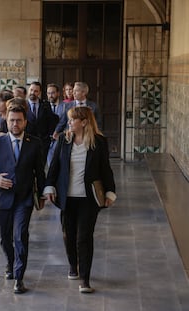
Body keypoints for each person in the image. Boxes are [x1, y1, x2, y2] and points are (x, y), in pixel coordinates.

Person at [44, 106, 116, 294]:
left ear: (84, 122)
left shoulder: (99, 142)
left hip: (88, 199)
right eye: (69, 119)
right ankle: (73, 266)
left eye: (73, 119)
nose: (69, 122)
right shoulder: (63, 140)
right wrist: (49, 187)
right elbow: (54, 168)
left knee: (84, 237)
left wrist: (110, 193)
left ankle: (85, 279)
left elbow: (105, 170)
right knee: (69, 235)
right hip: (66, 198)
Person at [0, 101, 46, 294]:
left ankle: (19, 277)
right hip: (3, 197)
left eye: (19, 121)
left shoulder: (34, 143)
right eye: (12, 120)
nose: (15, 124)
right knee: (5, 237)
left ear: (25, 122)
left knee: (20, 235)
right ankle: (10, 263)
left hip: (25, 198)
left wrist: (43, 193)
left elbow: (40, 172)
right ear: (7, 120)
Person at [26, 81, 59, 163]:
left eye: (36, 91)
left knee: (41, 165)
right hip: (27, 141)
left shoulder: (46, 105)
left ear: (39, 93)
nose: (33, 93)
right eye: (31, 90)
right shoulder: (23, 104)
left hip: (42, 142)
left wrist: (50, 136)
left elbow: (51, 120)